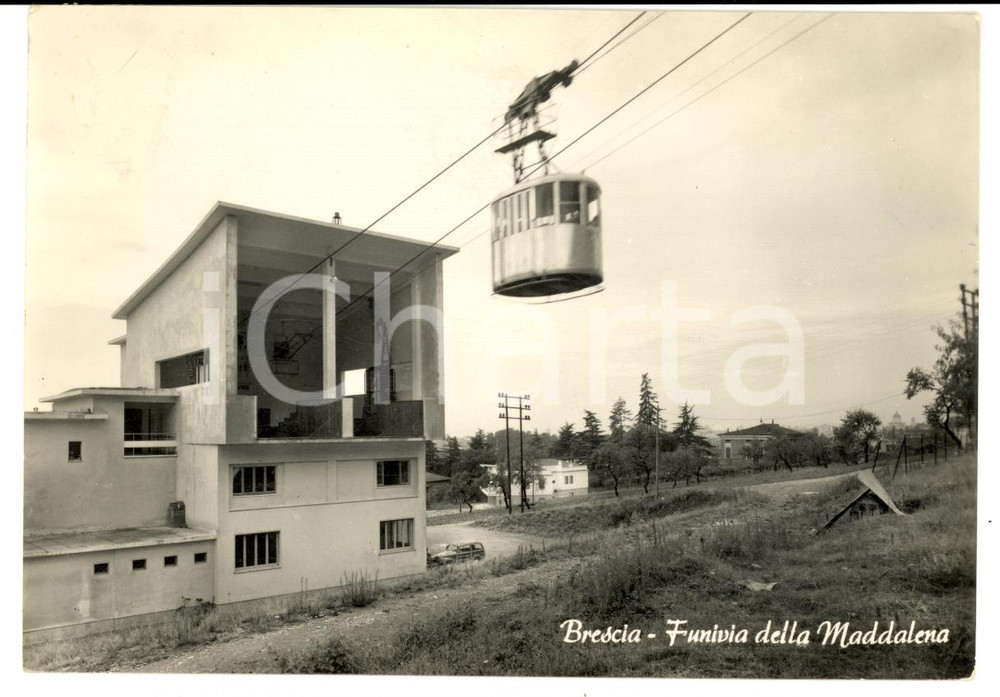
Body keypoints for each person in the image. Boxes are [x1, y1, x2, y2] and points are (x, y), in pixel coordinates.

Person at [504, 60, 579, 123]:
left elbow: (523, 99)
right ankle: (568, 71)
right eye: (511, 117)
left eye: (510, 115)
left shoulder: (514, 107)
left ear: (509, 113)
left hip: (534, 90)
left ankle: (569, 69)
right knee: (553, 82)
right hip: (538, 94)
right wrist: (529, 114)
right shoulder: (520, 113)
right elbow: (530, 109)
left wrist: (526, 110)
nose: (512, 116)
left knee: (552, 77)